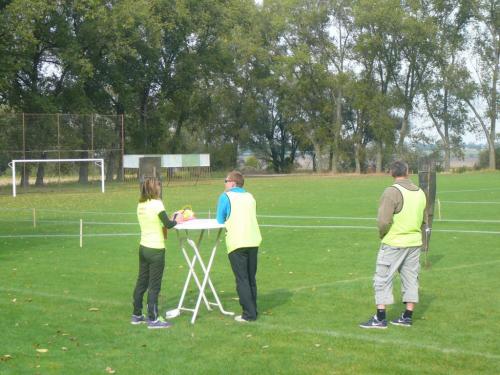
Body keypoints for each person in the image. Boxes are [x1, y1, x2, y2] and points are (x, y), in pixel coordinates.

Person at [360, 161, 427, 329]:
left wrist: (383, 235)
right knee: (411, 278)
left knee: (382, 278)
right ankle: (407, 316)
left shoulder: (391, 191)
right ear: (408, 172)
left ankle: (380, 318)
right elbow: (424, 220)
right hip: (414, 243)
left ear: (391, 173)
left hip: (394, 242)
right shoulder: (420, 192)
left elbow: (383, 221)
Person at [131, 177, 178, 329]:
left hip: (143, 247)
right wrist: (178, 219)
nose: (160, 188)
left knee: (142, 282)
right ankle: (154, 319)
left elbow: (158, 221)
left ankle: (137, 315)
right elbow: (169, 224)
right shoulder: (157, 204)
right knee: (154, 285)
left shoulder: (140, 204)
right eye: (158, 186)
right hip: (156, 249)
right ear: (153, 189)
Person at [216, 171, 262, 323]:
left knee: (242, 279)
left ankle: (249, 314)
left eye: (226, 180)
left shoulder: (226, 196)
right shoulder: (250, 196)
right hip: (253, 240)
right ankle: (253, 309)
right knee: (250, 278)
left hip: (237, 242)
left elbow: (220, 218)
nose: (224, 183)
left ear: (233, 183)